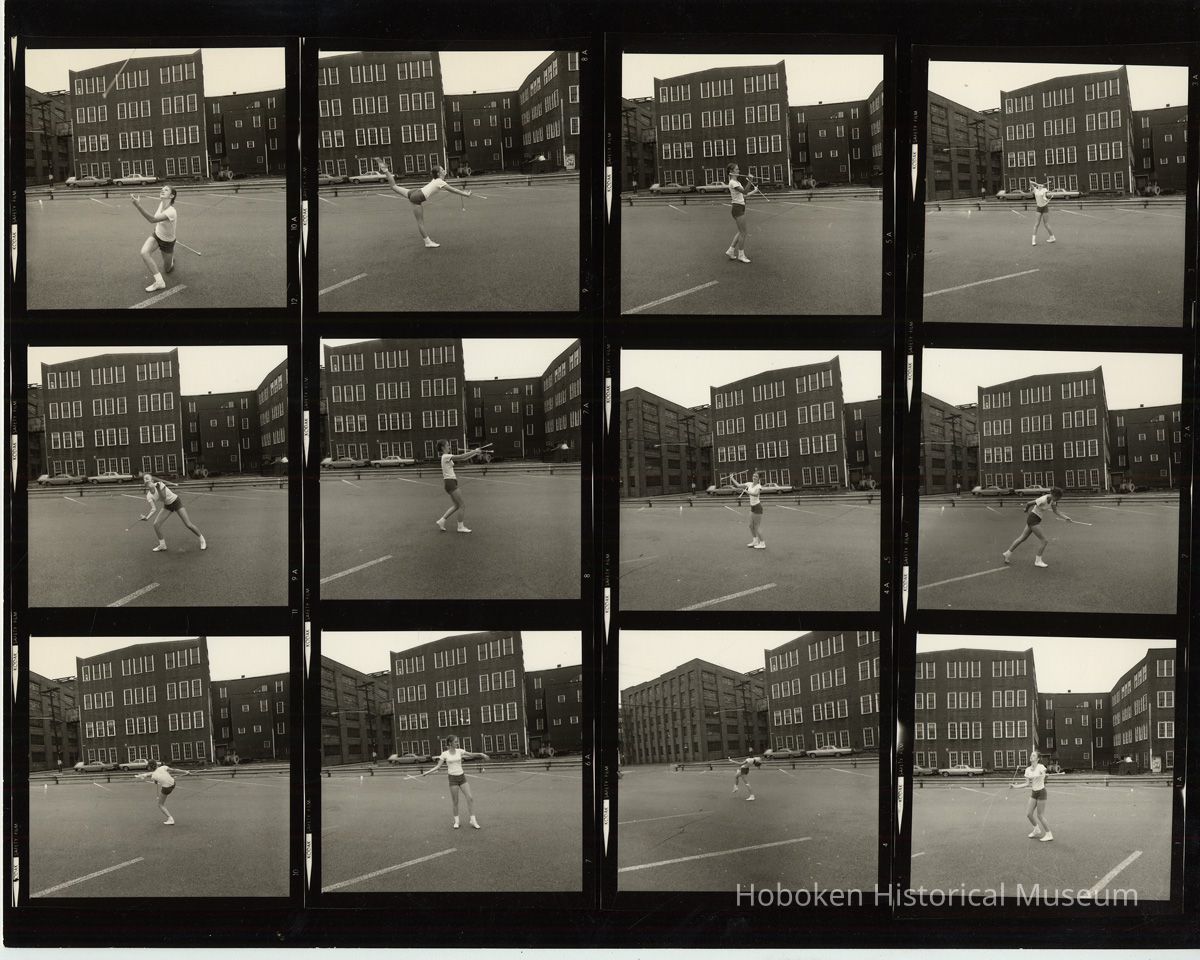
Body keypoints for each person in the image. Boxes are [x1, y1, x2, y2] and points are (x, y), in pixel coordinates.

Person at [375, 157, 472, 249]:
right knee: (420, 222)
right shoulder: (439, 181)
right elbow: (453, 190)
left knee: (394, 187)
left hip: (415, 192)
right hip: (416, 197)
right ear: (438, 173)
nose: (444, 170)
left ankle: (385, 170)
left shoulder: (436, 180)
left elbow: (443, 185)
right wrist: (465, 194)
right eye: (442, 169)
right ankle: (427, 242)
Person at [421, 735, 490, 830]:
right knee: (455, 801)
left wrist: (481, 754)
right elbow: (438, 767)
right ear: (450, 743)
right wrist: (427, 772)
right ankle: (457, 821)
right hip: (452, 779)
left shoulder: (460, 751)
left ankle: (473, 820)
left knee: (470, 798)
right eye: (456, 741)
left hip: (462, 777)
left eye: (457, 741)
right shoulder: (444, 754)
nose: (457, 743)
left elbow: (471, 754)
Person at [1003, 486, 1076, 568]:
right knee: (1044, 541)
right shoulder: (1043, 499)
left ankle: (1007, 553)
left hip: (1036, 519)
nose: (1059, 499)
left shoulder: (1053, 500)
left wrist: (1066, 517)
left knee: (1022, 538)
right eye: (1058, 498)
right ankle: (1038, 561)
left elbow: (1056, 511)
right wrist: (1026, 510)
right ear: (1054, 495)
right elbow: (1029, 503)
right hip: (1033, 519)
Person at [143, 473, 207, 553]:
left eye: (147, 478)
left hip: (176, 502)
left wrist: (158, 489)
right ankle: (162, 545)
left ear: (152, 480)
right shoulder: (149, 495)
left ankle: (202, 540)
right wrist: (147, 517)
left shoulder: (160, 484)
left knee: (188, 524)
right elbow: (153, 509)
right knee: (156, 524)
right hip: (167, 506)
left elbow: (164, 497)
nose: (146, 480)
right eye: (144, 479)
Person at [131, 184, 179, 292]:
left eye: (166, 190)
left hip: (167, 242)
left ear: (171, 196)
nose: (162, 190)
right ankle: (159, 282)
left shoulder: (171, 211)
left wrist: (138, 205)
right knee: (144, 253)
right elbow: (156, 220)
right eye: (162, 189)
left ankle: (171, 259)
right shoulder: (161, 203)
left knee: (168, 269)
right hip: (157, 235)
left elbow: (152, 219)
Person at [435, 440, 486, 534]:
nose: (449, 446)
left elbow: (463, 459)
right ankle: (460, 527)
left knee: (457, 505)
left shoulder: (446, 457)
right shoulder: (446, 456)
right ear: (443, 447)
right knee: (462, 505)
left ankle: (442, 521)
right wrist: (474, 451)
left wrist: (475, 453)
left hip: (450, 482)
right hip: (450, 483)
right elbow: (461, 457)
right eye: (447, 445)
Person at [1010, 750, 1053, 841]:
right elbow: (1026, 784)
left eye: (1033, 755)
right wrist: (1015, 786)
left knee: (1040, 815)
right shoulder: (1028, 770)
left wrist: (1043, 775)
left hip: (1041, 792)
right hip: (1034, 793)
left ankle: (1049, 834)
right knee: (1029, 814)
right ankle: (1036, 829)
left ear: (1037, 759)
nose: (1031, 756)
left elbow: (1045, 776)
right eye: (1031, 755)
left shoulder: (1041, 767)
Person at [136, 758, 191, 826]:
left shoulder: (153, 776)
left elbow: (155, 780)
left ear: (150, 766)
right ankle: (170, 819)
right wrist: (185, 772)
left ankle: (170, 819)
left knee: (160, 804)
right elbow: (174, 770)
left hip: (166, 789)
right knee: (168, 773)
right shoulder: (163, 767)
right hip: (173, 783)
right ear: (156, 764)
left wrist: (144, 776)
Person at [724, 163, 756, 263]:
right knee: (743, 232)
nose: (739, 171)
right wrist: (750, 181)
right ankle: (741, 255)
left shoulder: (736, 182)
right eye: (737, 169)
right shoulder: (733, 182)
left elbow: (743, 196)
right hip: (737, 208)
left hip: (739, 207)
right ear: (732, 171)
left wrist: (754, 191)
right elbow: (745, 192)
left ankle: (730, 250)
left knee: (740, 231)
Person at [729, 471, 766, 549]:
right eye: (753, 476)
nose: (754, 477)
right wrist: (732, 478)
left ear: (759, 478)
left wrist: (747, 492)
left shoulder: (759, 486)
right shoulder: (749, 484)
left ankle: (762, 543)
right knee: (750, 526)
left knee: (756, 526)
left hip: (757, 507)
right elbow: (738, 485)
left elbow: (756, 494)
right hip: (752, 507)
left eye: (756, 476)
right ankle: (755, 540)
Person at [1029, 179, 1056, 246]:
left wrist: (1047, 197)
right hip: (1038, 208)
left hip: (1045, 207)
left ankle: (1052, 237)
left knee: (1046, 224)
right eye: (1039, 186)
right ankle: (1033, 240)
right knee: (1036, 224)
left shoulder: (1045, 190)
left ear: (1043, 186)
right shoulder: (1035, 190)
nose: (1040, 186)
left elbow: (1047, 195)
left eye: (1041, 186)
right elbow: (1030, 182)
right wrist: (1037, 184)